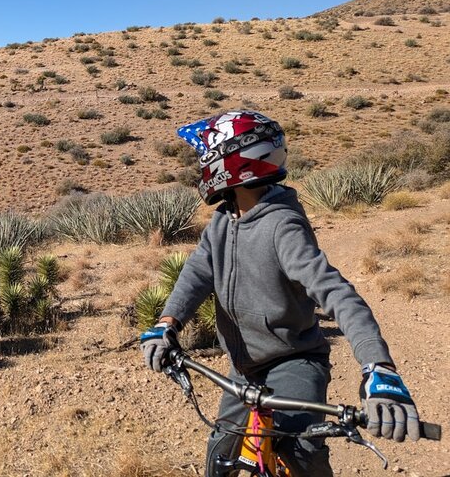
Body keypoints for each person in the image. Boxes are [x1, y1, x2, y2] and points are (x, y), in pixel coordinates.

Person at [139, 110, 419, 476]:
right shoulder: (224, 220)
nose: (201, 168)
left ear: (231, 163)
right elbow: (197, 272)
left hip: (295, 361)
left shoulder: (282, 226)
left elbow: (336, 292)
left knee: (301, 452)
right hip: (242, 369)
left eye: (206, 158)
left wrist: (378, 366)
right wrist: (166, 323)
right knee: (221, 449)